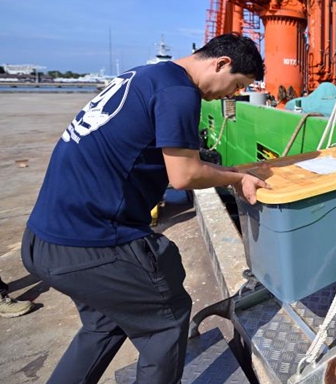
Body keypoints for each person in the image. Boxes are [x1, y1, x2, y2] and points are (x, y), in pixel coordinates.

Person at [21, 33, 268, 383]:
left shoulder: (145, 76)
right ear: (221, 64)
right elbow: (183, 176)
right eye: (236, 84)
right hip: (94, 242)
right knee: (165, 320)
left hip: (45, 238)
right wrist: (233, 179)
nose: (230, 95)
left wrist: (226, 171)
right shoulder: (180, 93)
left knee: (105, 323)